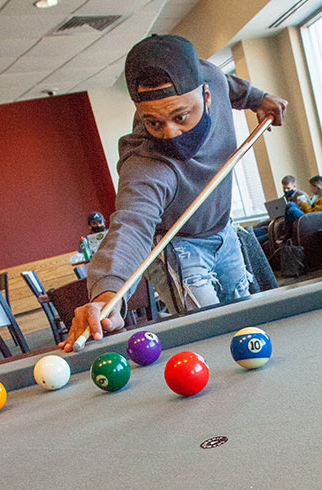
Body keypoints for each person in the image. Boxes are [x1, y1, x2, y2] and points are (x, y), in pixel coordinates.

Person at [59, 34, 287, 352]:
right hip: (178, 248)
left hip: (223, 231)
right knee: (218, 337)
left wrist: (258, 99)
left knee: (249, 327)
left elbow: (227, 83)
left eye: (180, 116)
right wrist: (108, 295)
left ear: (206, 96)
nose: (170, 133)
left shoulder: (212, 79)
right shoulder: (146, 163)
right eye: (152, 121)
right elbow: (132, 224)